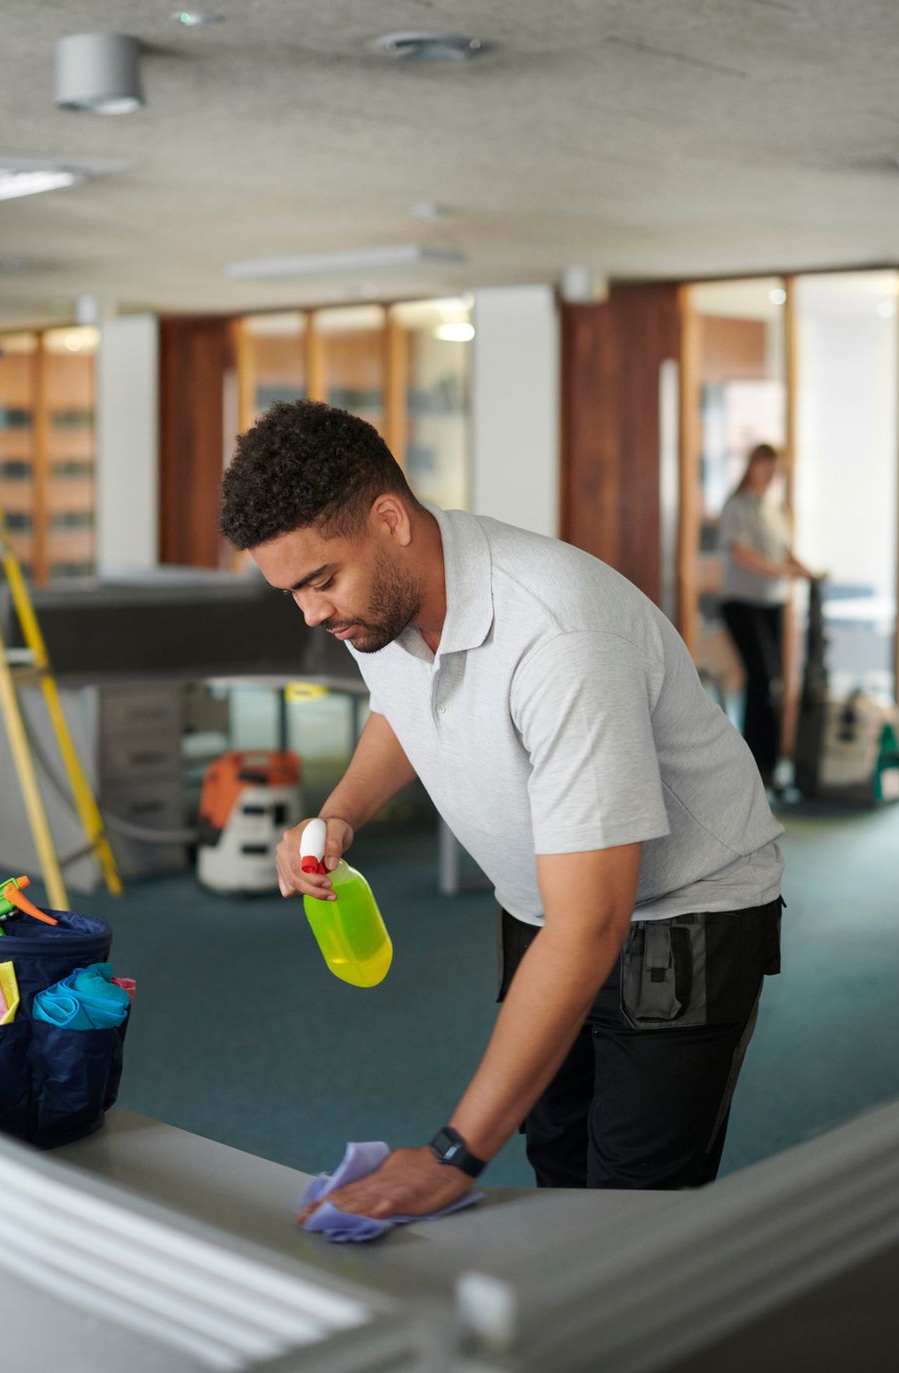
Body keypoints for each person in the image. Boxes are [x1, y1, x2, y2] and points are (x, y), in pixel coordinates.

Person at [219, 400, 784, 1223]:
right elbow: (405, 707)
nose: (310, 613)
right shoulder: (392, 603)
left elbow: (592, 923)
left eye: (320, 580)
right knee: (558, 1161)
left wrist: (453, 1154)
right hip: (540, 905)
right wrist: (342, 811)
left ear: (388, 520)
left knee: (629, 1211)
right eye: (291, 591)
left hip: (683, 912)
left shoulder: (558, 633)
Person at [717, 443, 817, 789]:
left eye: (776, 468)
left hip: (772, 604)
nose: (771, 474)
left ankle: (771, 765)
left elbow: (786, 553)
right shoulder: (737, 506)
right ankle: (753, 765)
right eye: (766, 466)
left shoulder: (774, 510)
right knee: (760, 679)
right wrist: (777, 571)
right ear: (752, 466)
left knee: (772, 682)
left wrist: (807, 572)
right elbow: (741, 553)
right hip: (743, 603)